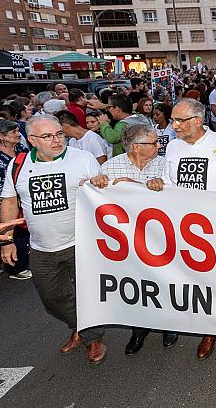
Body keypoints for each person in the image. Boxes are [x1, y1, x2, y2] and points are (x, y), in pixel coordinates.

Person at [0, 115, 107, 364]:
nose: (57, 140)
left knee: (88, 294)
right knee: (52, 298)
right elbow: (9, 201)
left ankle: (92, 337)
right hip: (41, 247)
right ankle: (78, 325)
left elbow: (104, 195)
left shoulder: (83, 159)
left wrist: (98, 183)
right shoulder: (18, 165)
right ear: (32, 140)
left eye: (59, 133)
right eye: (48, 136)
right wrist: (7, 240)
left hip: (81, 244)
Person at [149, 98, 216, 360]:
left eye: (179, 120)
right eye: (174, 120)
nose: (173, 125)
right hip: (186, 227)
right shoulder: (174, 147)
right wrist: (158, 182)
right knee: (200, 279)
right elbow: (169, 180)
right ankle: (209, 329)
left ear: (198, 121)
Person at [88, 125, 178, 353]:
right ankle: (139, 329)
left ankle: (169, 325)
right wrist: (96, 183)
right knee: (137, 283)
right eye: (154, 143)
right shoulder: (110, 166)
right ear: (137, 147)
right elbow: (94, 195)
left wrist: (152, 187)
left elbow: (179, 193)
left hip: (161, 236)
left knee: (165, 278)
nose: (159, 146)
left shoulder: (165, 164)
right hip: (128, 239)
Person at [0, 120, 30, 281]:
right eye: (13, 132)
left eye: (17, 131)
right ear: (0, 135)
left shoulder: (21, 149)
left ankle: (16, 264)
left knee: (18, 231)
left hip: (21, 197)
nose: (18, 134)